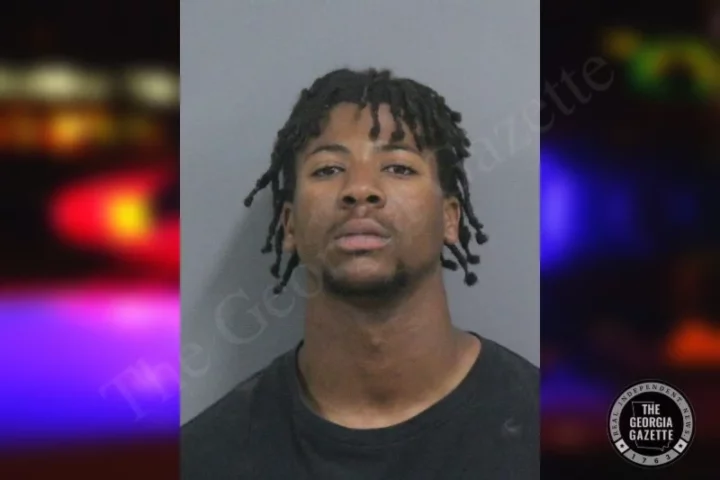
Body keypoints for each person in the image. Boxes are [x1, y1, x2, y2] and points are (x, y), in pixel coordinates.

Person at [182, 68, 539, 479]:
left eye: (399, 167)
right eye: (328, 169)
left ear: (449, 218)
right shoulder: (205, 458)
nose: (360, 189)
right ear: (290, 225)